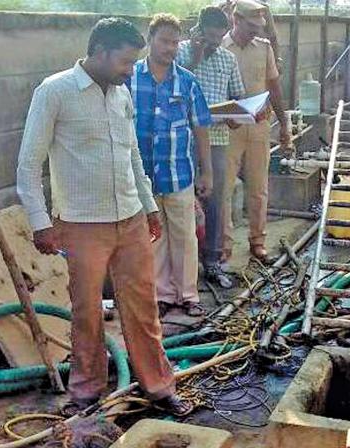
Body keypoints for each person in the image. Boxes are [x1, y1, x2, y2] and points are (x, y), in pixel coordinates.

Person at [16, 17, 192, 417]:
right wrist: (41, 222)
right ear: (98, 53)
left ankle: (159, 386)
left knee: (143, 308)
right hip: (81, 224)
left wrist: (148, 208)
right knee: (87, 311)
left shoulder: (120, 94)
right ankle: (86, 394)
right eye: (125, 62)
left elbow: (132, 157)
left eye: (134, 63)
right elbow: (28, 164)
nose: (131, 70)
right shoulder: (54, 92)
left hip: (130, 218)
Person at [126, 14, 213, 317]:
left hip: (179, 173)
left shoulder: (187, 81)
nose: (171, 48)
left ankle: (188, 295)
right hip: (142, 176)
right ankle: (162, 295)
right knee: (155, 237)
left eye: (175, 42)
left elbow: (201, 127)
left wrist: (207, 171)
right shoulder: (130, 78)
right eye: (164, 41)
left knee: (185, 236)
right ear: (150, 40)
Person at [177, 6, 246, 289]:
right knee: (179, 201)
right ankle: (182, 266)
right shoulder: (180, 52)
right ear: (199, 30)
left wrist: (235, 117)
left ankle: (213, 261)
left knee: (216, 200)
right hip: (180, 139)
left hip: (216, 138)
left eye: (220, 39)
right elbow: (175, 83)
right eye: (211, 38)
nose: (215, 44)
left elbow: (238, 98)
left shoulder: (228, 59)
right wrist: (195, 58)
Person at [221, 0, 293, 263]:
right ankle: (224, 245)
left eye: (258, 27)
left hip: (259, 125)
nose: (255, 32)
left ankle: (257, 241)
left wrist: (284, 123)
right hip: (227, 127)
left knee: (258, 188)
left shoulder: (263, 49)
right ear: (236, 20)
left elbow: (274, 87)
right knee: (224, 188)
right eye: (250, 26)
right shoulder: (219, 47)